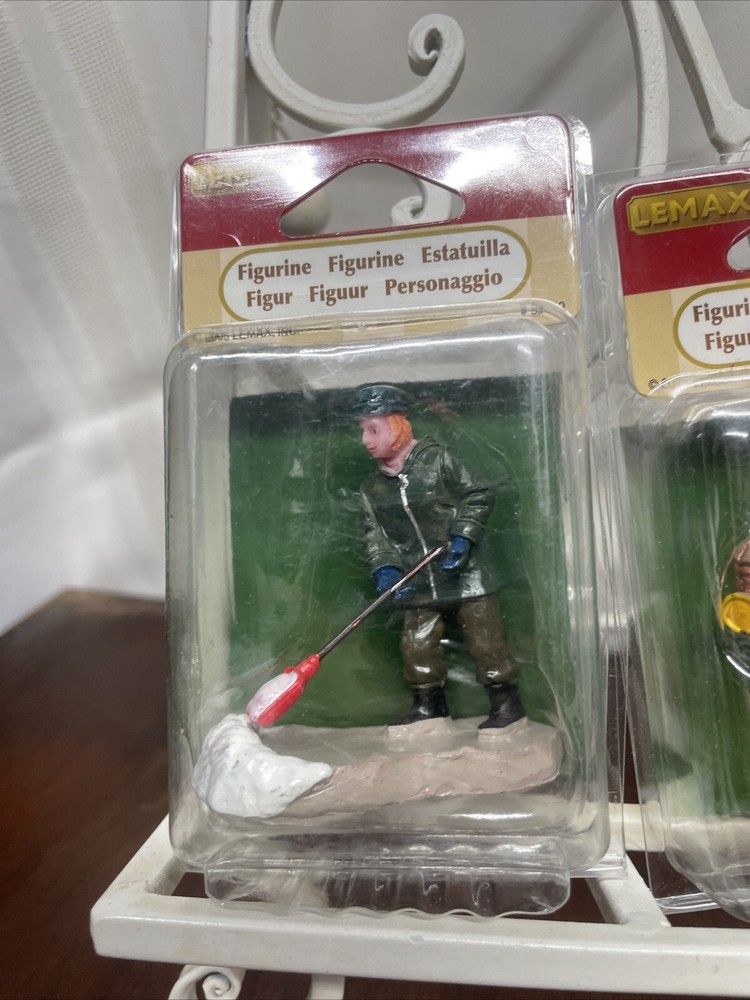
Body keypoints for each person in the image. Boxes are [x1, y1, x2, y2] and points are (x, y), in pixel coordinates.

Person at [353, 383, 525, 729]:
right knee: (416, 644)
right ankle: (429, 707)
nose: (365, 440)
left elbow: (478, 493)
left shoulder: (440, 460)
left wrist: (463, 536)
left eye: (373, 430)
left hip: (468, 575)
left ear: (398, 425)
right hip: (416, 578)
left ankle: (506, 705)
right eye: (362, 431)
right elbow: (376, 533)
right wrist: (386, 568)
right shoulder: (372, 488)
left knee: (485, 640)